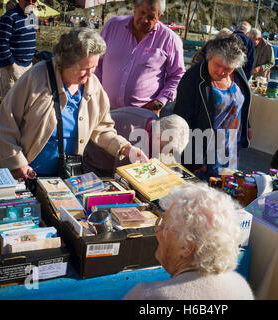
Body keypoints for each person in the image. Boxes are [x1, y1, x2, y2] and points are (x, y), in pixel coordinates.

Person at [0, 28, 148, 180]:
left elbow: (102, 130)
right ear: (65, 62)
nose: (90, 74)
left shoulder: (93, 86)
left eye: (93, 68)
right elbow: (6, 123)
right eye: (84, 69)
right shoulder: (36, 77)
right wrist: (17, 163)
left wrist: (126, 148)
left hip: (64, 177)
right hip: (23, 174)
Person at [123, 182, 254, 300]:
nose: (157, 231)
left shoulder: (148, 296)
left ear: (186, 247)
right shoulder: (241, 287)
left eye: (164, 226)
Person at [174, 35, 251, 181]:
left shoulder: (238, 73)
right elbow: (182, 122)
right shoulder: (192, 79)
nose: (221, 72)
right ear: (209, 57)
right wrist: (195, 159)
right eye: (217, 65)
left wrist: (247, 125)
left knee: (228, 191)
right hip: (205, 154)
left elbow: (239, 102)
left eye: (227, 68)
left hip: (231, 148)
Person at [94, 0, 185, 116]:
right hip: (103, 110)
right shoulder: (112, 26)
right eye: (142, 13)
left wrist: (159, 102)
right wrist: (95, 92)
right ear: (135, 7)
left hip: (142, 116)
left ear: (160, 17)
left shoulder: (170, 40)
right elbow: (96, 62)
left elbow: (177, 75)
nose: (145, 20)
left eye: (151, 17)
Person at [83, 107, 190, 177]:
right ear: (159, 137)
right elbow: (123, 175)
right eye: (168, 150)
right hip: (93, 162)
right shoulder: (134, 137)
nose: (166, 153)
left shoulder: (154, 123)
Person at [0, 0, 38, 100]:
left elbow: (30, 37)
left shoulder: (32, 15)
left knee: (24, 105)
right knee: (10, 106)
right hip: (12, 67)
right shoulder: (9, 16)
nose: (31, 2)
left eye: (34, 0)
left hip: (28, 66)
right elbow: (1, 44)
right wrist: (12, 65)